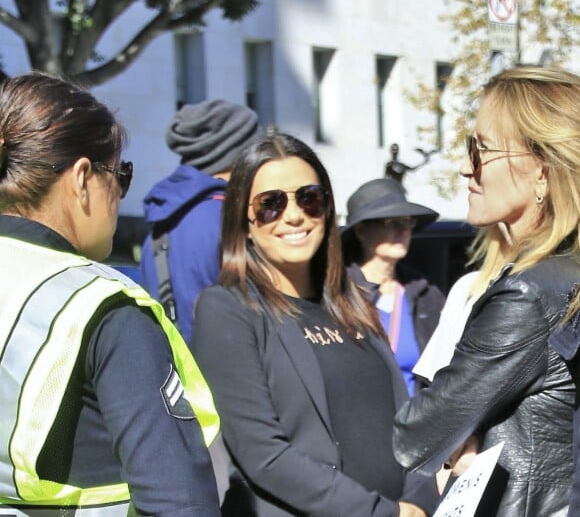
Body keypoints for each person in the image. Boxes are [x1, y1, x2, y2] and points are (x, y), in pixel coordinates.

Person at [0, 72, 221, 516]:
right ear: (82, 178)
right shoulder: (102, 305)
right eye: (120, 174)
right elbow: (178, 499)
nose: (120, 193)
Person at [190, 132, 439, 517]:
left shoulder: (352, 299)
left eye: (309, 197)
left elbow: (407, 421)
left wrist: (420, 500)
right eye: (271, 204)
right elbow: (263, 454)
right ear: (245, 219)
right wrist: (384, 514)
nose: (294, 215)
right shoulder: (227, 309)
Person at [393, 65, 580, 516]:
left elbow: (415, 433)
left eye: (479, 150)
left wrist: (461, 435)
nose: (464, 168)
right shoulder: (565, 280)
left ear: (541, 172)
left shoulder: (532, 295)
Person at [140, 99, 262, 343]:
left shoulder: (161, 224)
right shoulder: (234, 220)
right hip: (237, 372)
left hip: (179, 375)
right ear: (243, 156)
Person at [341, 178, 445, 394]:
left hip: (415, 423)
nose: (403, 230)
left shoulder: (426, 295)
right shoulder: (338, 293)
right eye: (391, 222)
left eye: (407, 222)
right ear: (361, 231)